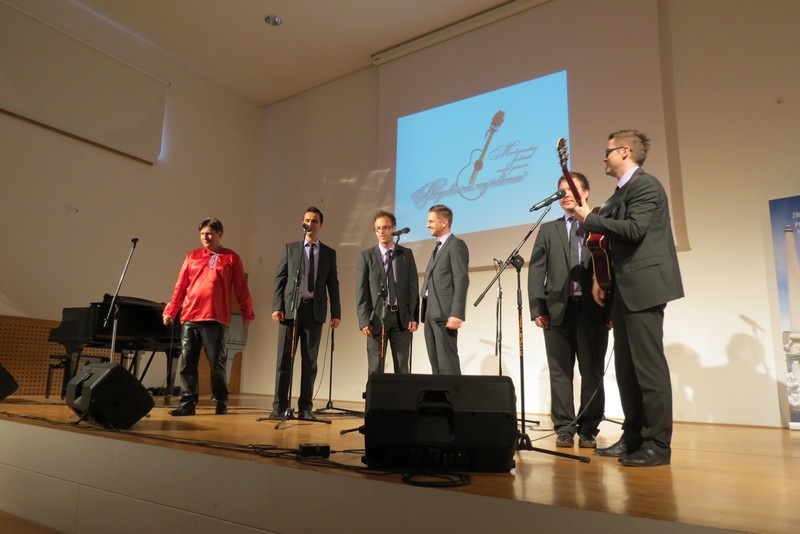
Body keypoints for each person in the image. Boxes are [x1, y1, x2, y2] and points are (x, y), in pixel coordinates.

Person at [573, 130, 684, 467]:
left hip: (644, 288)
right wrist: (600, 276)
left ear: (624, 151)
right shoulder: (621, 193)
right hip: (624, 290)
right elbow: (609, 242)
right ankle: (633, 437)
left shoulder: (646, 186)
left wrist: (590, 218)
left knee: (648, 371)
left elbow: (635, 230)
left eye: (607, 151)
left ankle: (657, 446)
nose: (603, 157)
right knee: (626, 370)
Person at [528, 172, 610, 449]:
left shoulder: (600, 224)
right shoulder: (548, 230)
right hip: (557, 312)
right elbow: (536, 269)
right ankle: (564, 428)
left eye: (572, 189)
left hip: (593, 310)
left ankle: (588, 429)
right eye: (561, 191)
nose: (566, 195)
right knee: (560, 373)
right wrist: (537, 307)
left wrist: (612, 310)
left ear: (586, 193)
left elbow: (611, 265)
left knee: (592, 372)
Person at [163, 218, 255, 416]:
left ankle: (221, 400)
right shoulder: (191, 256)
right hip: (190, 317)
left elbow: (241, 288)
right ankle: (187, 403)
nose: (206, 237)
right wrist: (171, 310)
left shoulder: (231, 258)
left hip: (215, 318)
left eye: (210, 234)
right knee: (188, 363)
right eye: (203, 234)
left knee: (217, 363)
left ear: (220, 235)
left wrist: (247, 312)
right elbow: (180, 286)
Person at [271, 207, 341, 420]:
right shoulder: (291, 248)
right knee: (284, 360)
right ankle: (279, 406)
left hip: (314, 311)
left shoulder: (328, 253)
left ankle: (305, 407)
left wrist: (336, 313)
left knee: (310, 363)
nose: (310, 224)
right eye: (307, 220)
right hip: (291, 310)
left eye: (314, 221)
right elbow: (280, 278)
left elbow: (333, 284)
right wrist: (277, 306)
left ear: (321, 225)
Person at [356, 211, 420, 375]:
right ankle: (376, 394)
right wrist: (364, 321)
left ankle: (402, 395)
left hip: (401, 319)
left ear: (394, 228)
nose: (382, 232)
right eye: (378, 229)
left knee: (402, 369)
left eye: (385, 227)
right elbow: (361, 291)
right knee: (375, 369)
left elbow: (413, 287)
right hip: (376, 320)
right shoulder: (366, 256)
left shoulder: (406, 254)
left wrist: (413, 316)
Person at [421, 204, 469, 375]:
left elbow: (461, 279)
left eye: (431, 221)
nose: (427, 225)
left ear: (444, 222)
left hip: (444, 313)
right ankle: (439, 393)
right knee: (436, 366)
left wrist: (456, 313)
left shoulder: (456, 245)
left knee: (447, 364)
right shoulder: (438, 247)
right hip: (430, 312)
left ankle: (455, 393)